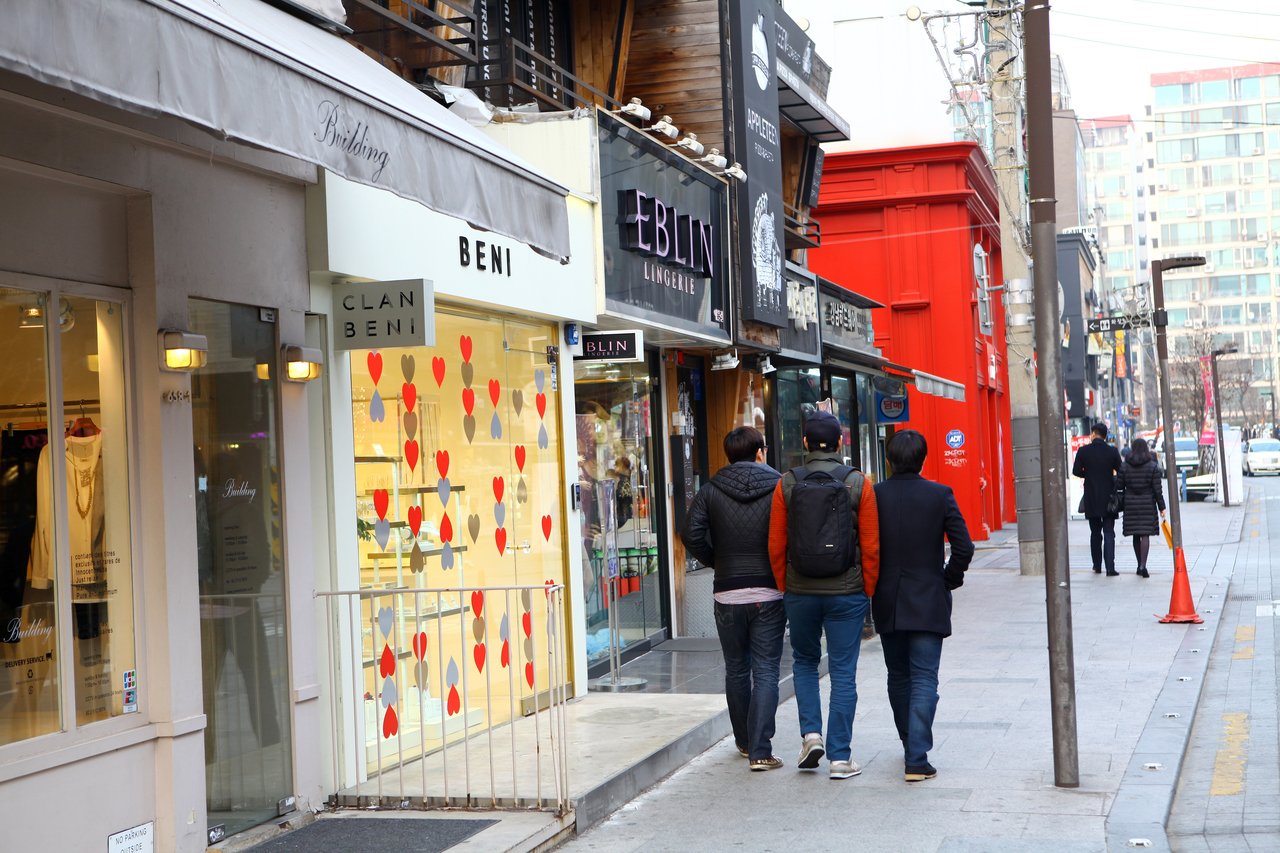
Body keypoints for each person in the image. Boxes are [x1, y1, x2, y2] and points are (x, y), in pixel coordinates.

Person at [767, 411, 879, 780]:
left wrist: (787, 585)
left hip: (800, 590)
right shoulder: (858, 483)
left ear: (804, 443)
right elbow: (871, 546)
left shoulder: (786, 483)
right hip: (847, 591)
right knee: (843, 672)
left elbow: (776, 544)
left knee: (804, 662)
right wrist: (867, 589)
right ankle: (841, 758)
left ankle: (811, 735)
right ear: (840, 442)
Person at [681, 427, 785, 771]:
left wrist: (716, 560)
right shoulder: (779, 486)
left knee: (737, 668)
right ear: (759, 452)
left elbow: (690, 532)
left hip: (727, 591)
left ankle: (742, 741)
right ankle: (761, 750)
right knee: (766, 669)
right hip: (769, 591)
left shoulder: (710, 490)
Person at [872, 430, 973, 782]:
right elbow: (964, 547)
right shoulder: (939, 495)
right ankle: (917, 756)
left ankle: (908, 741)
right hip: (928, 598)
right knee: (924, 676)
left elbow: (864, 546)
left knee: (898, 676)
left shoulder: (875, 496)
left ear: (888, 460)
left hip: (887, 598)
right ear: (924, 458)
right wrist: (947, 579)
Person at [1072, 422, 1123, 576]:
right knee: (1109, 532)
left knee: (1095, 532)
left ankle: (1097, 565)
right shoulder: (1112, 451)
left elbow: (1076, 471)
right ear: (1105, 435)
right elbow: (1121, 471)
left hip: (1091, 497)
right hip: (1109, 498)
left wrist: (1087, 475)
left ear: (1093, 434)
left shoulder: (1083, 451)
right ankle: (1110, 567)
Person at [1118, 437, 1166, 578]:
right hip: (1147, 504)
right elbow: (1158, 490)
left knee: (1135, 534)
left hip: (1131, 503)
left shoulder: (1125, 465)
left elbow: (1119, 486)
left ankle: (1139, 564)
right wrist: (1161, 507)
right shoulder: (1152, 466)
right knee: (1145, 534)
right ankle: (1143, 565)